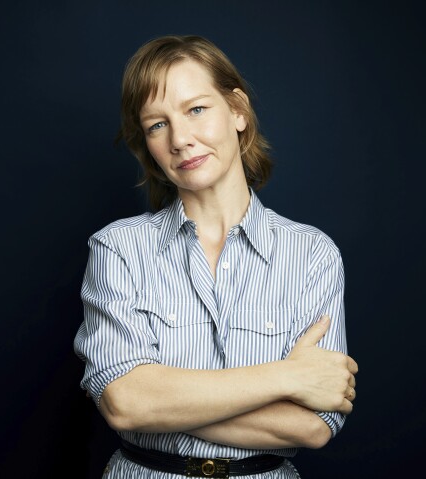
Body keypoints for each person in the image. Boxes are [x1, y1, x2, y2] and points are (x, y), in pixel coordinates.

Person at [74, 34, 358, 478]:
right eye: (157, 125)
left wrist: (165, 403)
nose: (181, 139)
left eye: (196, 109)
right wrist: (289, 378)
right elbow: (126, 403)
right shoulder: (118, 249)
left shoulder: (312, 255)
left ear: (238, 111)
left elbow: (314, 424)